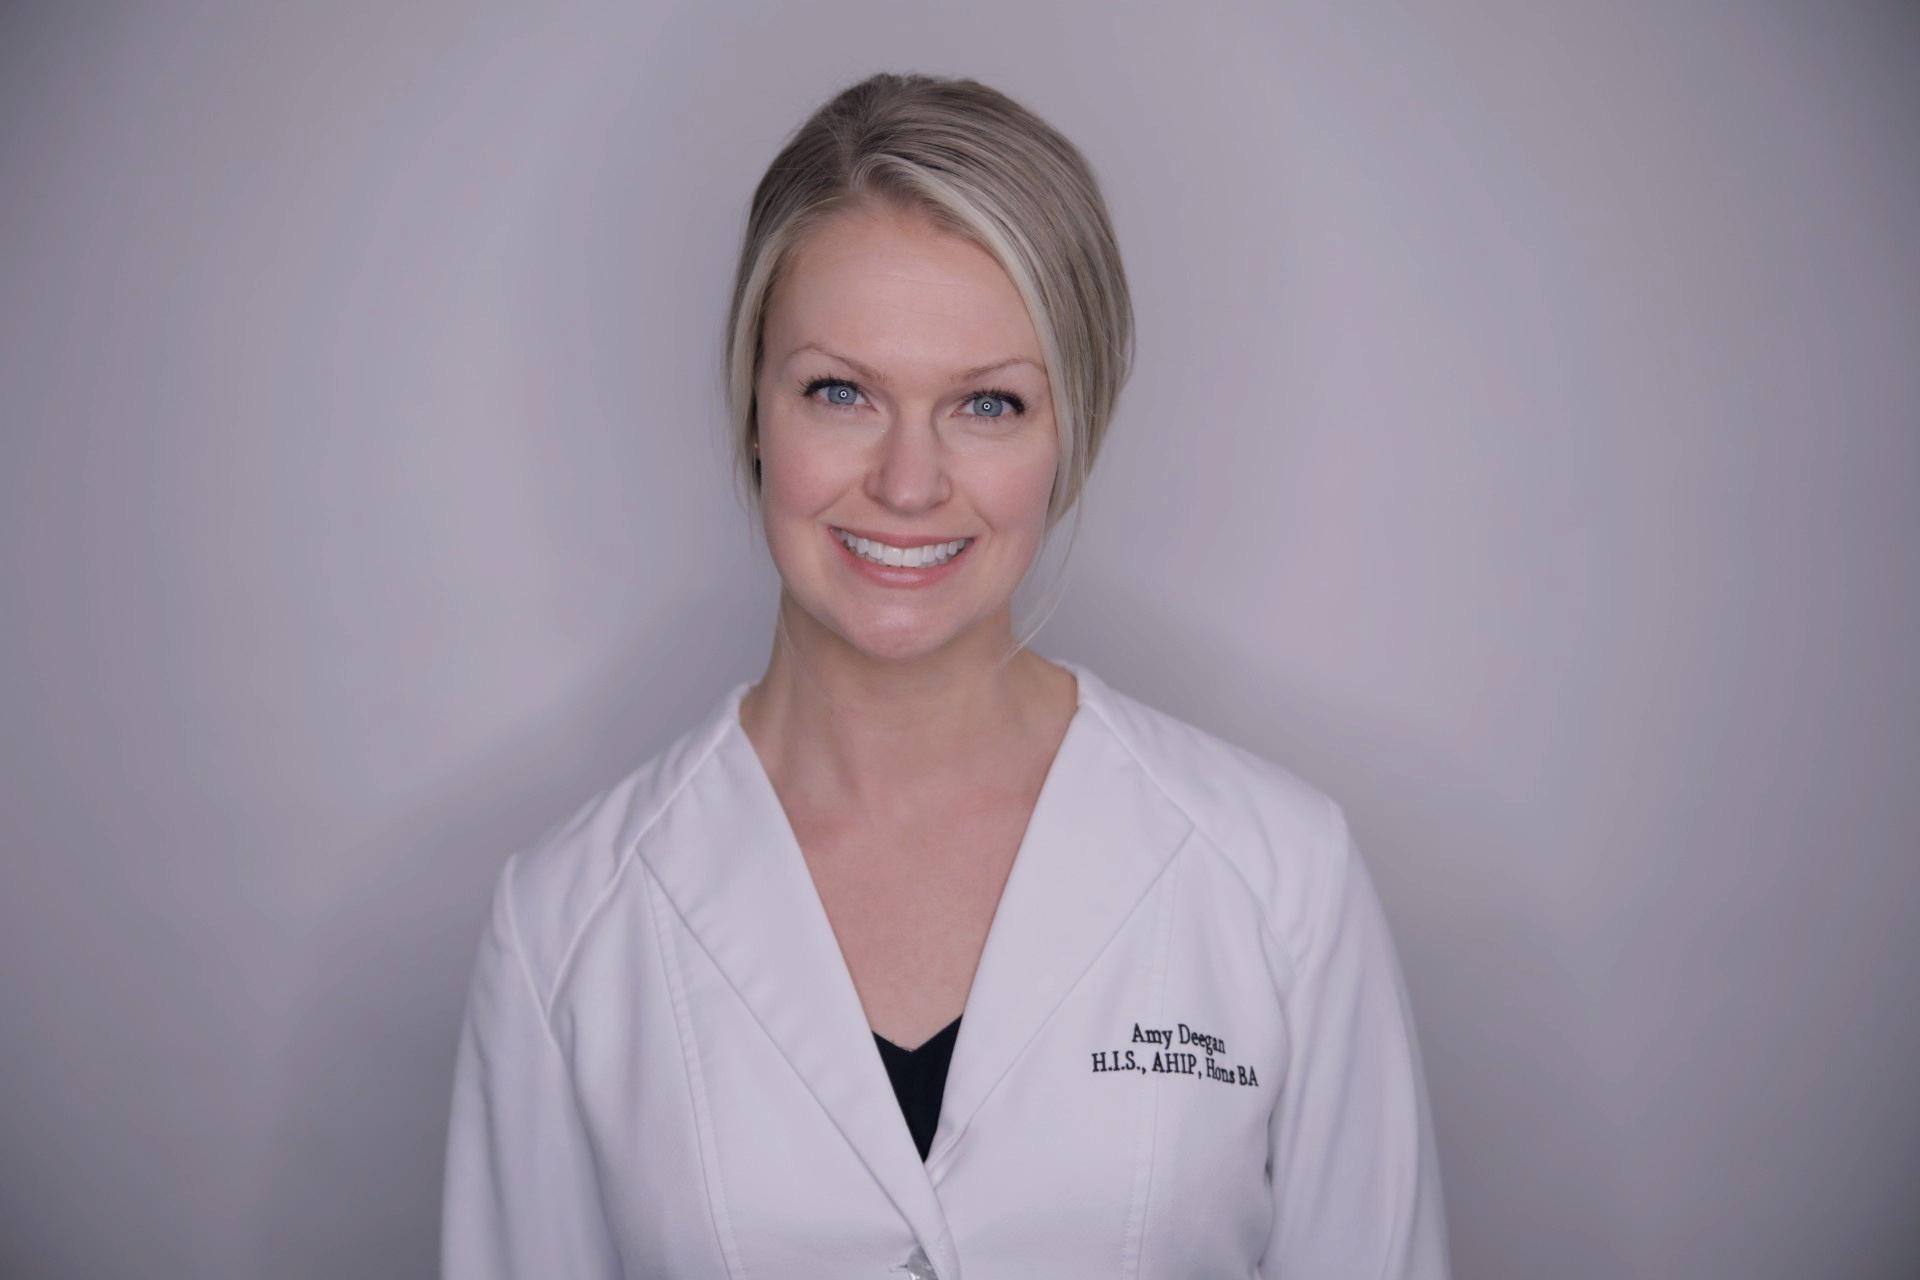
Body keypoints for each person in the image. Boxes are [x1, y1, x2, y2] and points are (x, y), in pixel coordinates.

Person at [441, 71, 1450, 1279]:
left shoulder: (1281, 881)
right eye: (840, 391)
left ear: (1071, 432)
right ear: (755, 406)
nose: (908, 483)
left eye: (987, 403)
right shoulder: (564, 928)